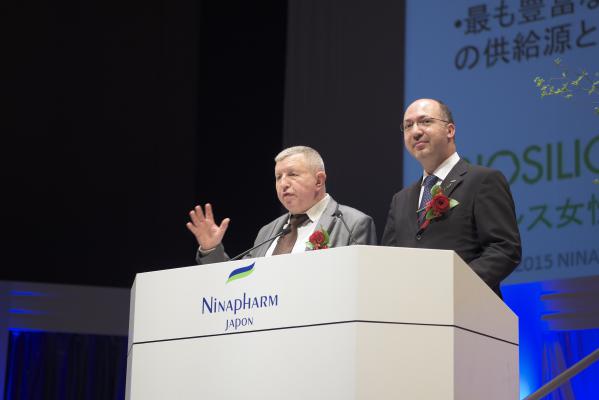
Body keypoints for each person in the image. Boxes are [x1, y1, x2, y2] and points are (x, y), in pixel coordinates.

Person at [382, 98, 521, 297]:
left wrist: (453, 286)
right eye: (408, 126)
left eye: (425, 121)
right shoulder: (400, 200)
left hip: (468, 306)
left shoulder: (482, 180)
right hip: (413, 310)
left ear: (450, 130)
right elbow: (389, 262)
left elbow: (504, 249)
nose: (416, 131)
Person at [188, 146, 377, 264]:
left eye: (292, 174)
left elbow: (362, 284)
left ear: (319, 181)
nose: (283, 183)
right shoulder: (268, 232)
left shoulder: (353, 224)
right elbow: (238, 282)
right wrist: (211, 249)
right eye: (278, 177)